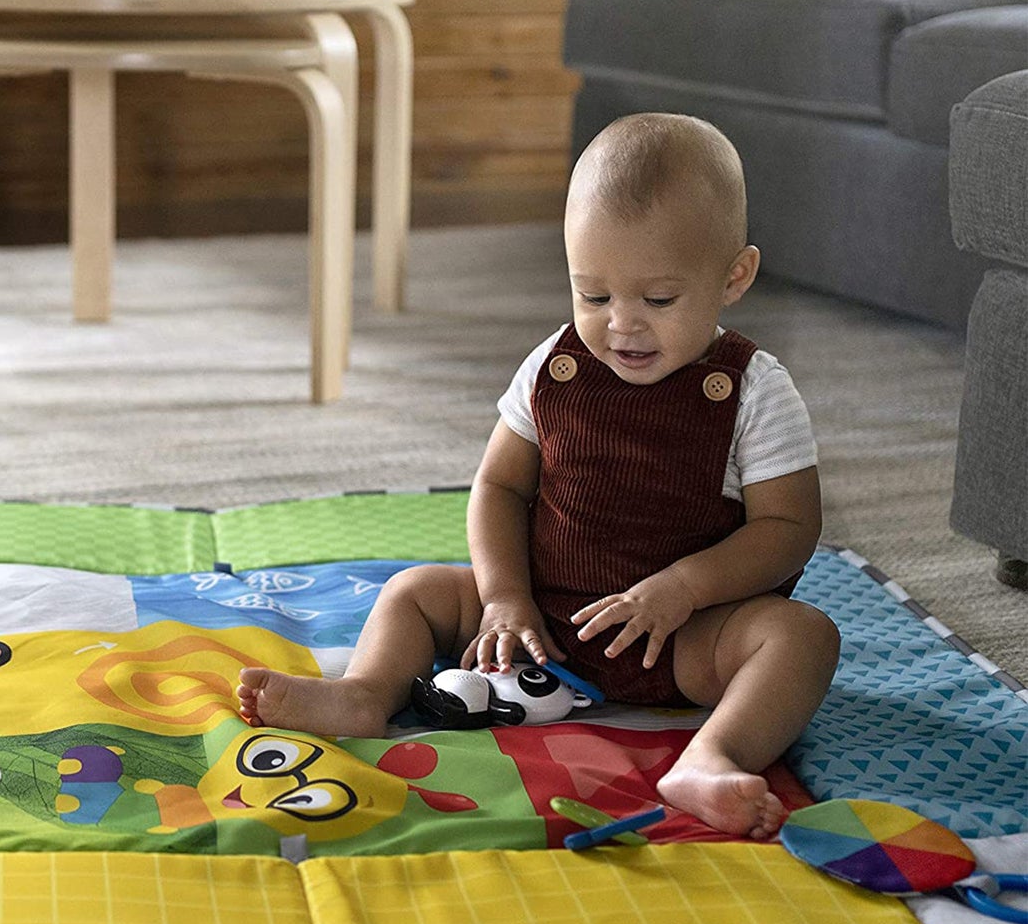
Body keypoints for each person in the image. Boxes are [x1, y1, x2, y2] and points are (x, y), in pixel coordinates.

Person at [237, 112, 841, 840]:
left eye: (656, 299)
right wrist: (502, 598)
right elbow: (498, 487)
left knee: (802, 636)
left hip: (682, 637)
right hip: (538, 619)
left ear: (732, 276)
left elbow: (787, 529)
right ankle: (365, 693)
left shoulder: (751, 389)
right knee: (416, 589)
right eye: (593, 295)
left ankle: (711, 755)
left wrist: (683, 589)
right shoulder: (552, 368)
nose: (621, 324)